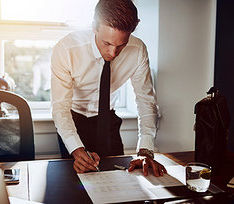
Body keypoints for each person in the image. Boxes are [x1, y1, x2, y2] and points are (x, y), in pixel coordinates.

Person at [51, 0, 167, 177]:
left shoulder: (137, 50)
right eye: (107, 43)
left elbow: (146, 100)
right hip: (73, 120)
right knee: (74, 184)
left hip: (108, 120)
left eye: (121, 45)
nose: (113, 53)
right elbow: (60, 106)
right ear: (94, 27)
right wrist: (76, 149)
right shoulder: (66, 49)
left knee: (119, 177)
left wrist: (146, 150)